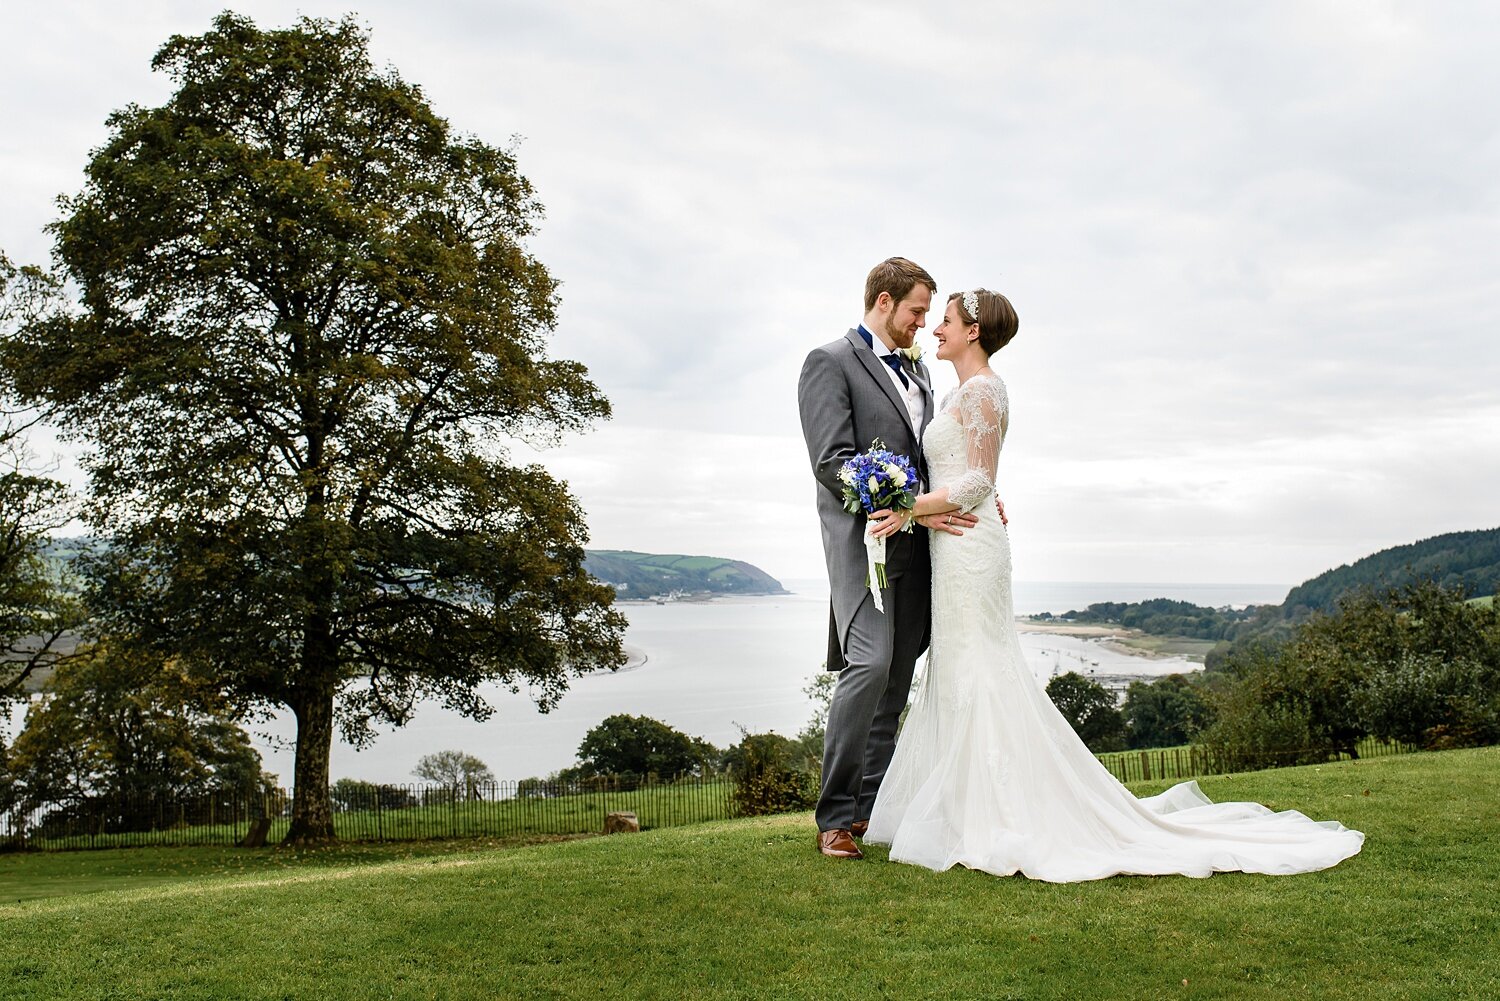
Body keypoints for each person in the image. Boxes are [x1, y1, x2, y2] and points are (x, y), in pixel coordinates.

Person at [861, 288, 1365, 880]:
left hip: (972, 548)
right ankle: (958, 809)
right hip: (951, 546)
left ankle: (999, 816)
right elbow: (966, 476)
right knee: (955, 666)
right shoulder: (951, 392)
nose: (936, 328)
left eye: (944, 320)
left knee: (982, 666)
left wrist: (904, 507)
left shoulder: (987, 390)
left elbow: (976, 481)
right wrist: (926, 506)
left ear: (973, 331)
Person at [798, 257, 983, 860]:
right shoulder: (828, 363)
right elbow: (832, 461)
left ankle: (868, 813)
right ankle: (833, 817)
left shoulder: (922, 373)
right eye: (916, 312)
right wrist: (896, 503)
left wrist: (969, 500)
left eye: (929, 314)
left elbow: (936, 459)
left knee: (897, 679)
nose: (923, 324)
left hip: (919, 546)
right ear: (883, 302)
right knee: (870, 666)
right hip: (863, 545)